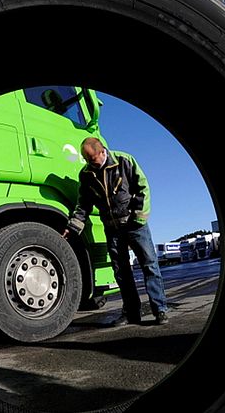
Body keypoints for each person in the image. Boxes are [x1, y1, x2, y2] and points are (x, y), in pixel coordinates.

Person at [63, 137, 169, 326]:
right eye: (87, 160)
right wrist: (73, 227)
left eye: (92, 159)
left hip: (135, 224)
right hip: (112, 228)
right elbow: (84, 204)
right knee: (121, 272)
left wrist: (138, 217)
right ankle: (131, 313)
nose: (90, 164)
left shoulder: (124, 160)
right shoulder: (86, 174)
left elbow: (142, 187)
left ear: (103, 151)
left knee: (149, 265)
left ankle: (159, 309)